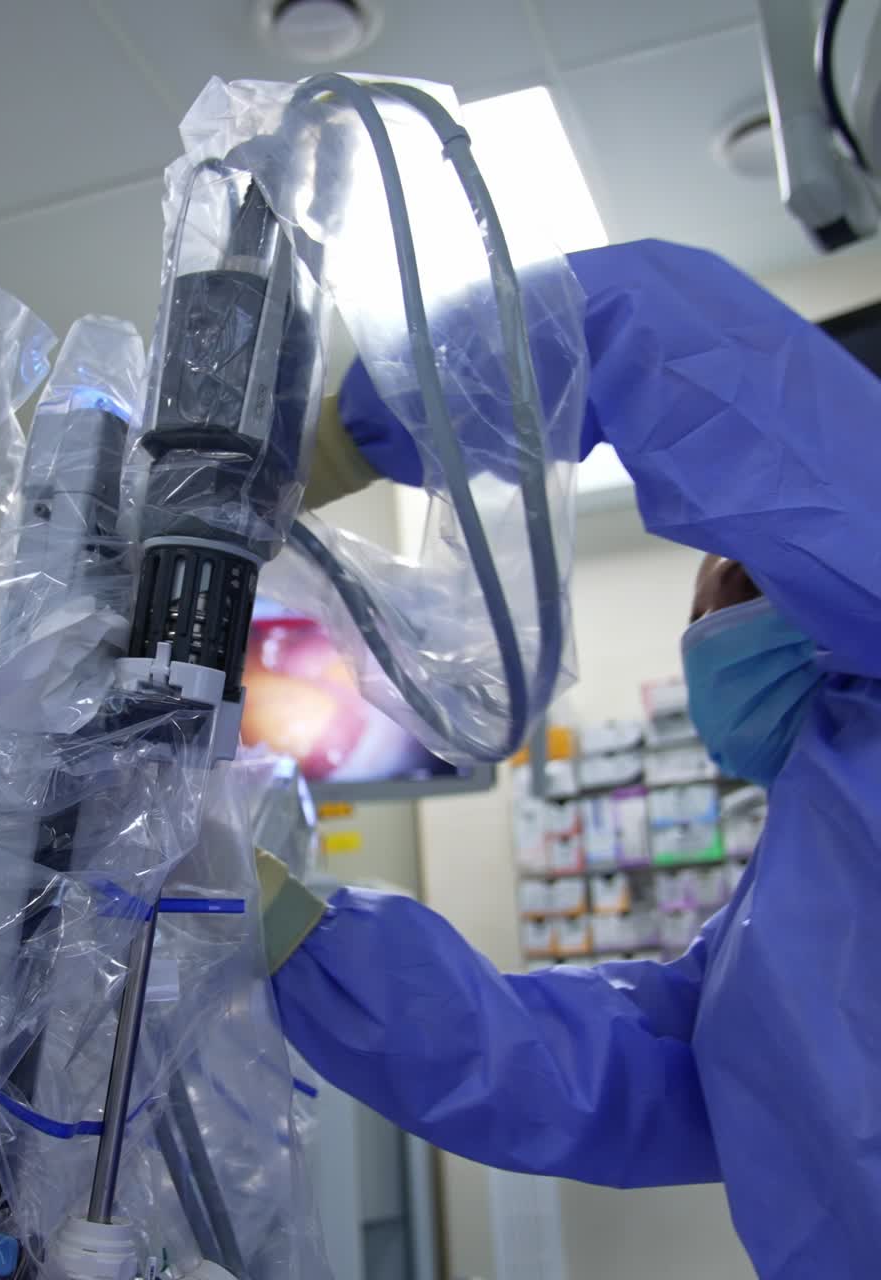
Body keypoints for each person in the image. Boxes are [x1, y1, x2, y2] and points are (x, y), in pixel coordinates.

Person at [260, 239, 881, 1279]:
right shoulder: (795, 906)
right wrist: (293, 937)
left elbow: (645, 334)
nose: (706, 606)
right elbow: (575, 1079)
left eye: (725, 569)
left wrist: (340, 439)